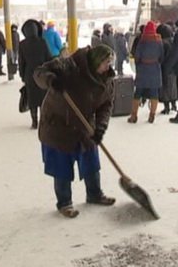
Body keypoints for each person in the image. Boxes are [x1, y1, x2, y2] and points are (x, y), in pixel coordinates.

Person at [33, 44, 116, 218]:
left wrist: (100, 128)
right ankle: (64, 203)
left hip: (85, 127)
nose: (108, 67)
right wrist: (51, 80)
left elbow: (105, 106)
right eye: (106, 62)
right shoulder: (70, 66)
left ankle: (94, 194)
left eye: (110, 62)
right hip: (58, 127)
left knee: (91, 163)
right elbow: (39, 73)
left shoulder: (106, 80)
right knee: (61, 168)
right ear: (95, 62)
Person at [19, 19, 53, 129]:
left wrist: (22, 75)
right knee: (43, 98)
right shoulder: (42, 42)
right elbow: (49, 57)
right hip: (42, 74)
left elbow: (21, 62)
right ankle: (43, 121)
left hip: (29, 74)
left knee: (32, 99)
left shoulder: (22, 44)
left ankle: (34, 122)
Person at [128, 21, 163, 124]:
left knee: (137, 93)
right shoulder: (158, 41)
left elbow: (137, 56)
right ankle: (152, 115)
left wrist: (139, 65)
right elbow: (162, 56)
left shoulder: (142, 41)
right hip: (154, 69)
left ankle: (134, 116)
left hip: (143, 70)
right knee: (154, 93)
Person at [157, 23, 178, 114]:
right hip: (174, 67)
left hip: (165, 67)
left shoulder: (162, 43)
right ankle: (174, 104)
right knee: (173, 86)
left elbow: (161, 56)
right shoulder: (174, 41)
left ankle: (166, 107)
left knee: (165, 86)